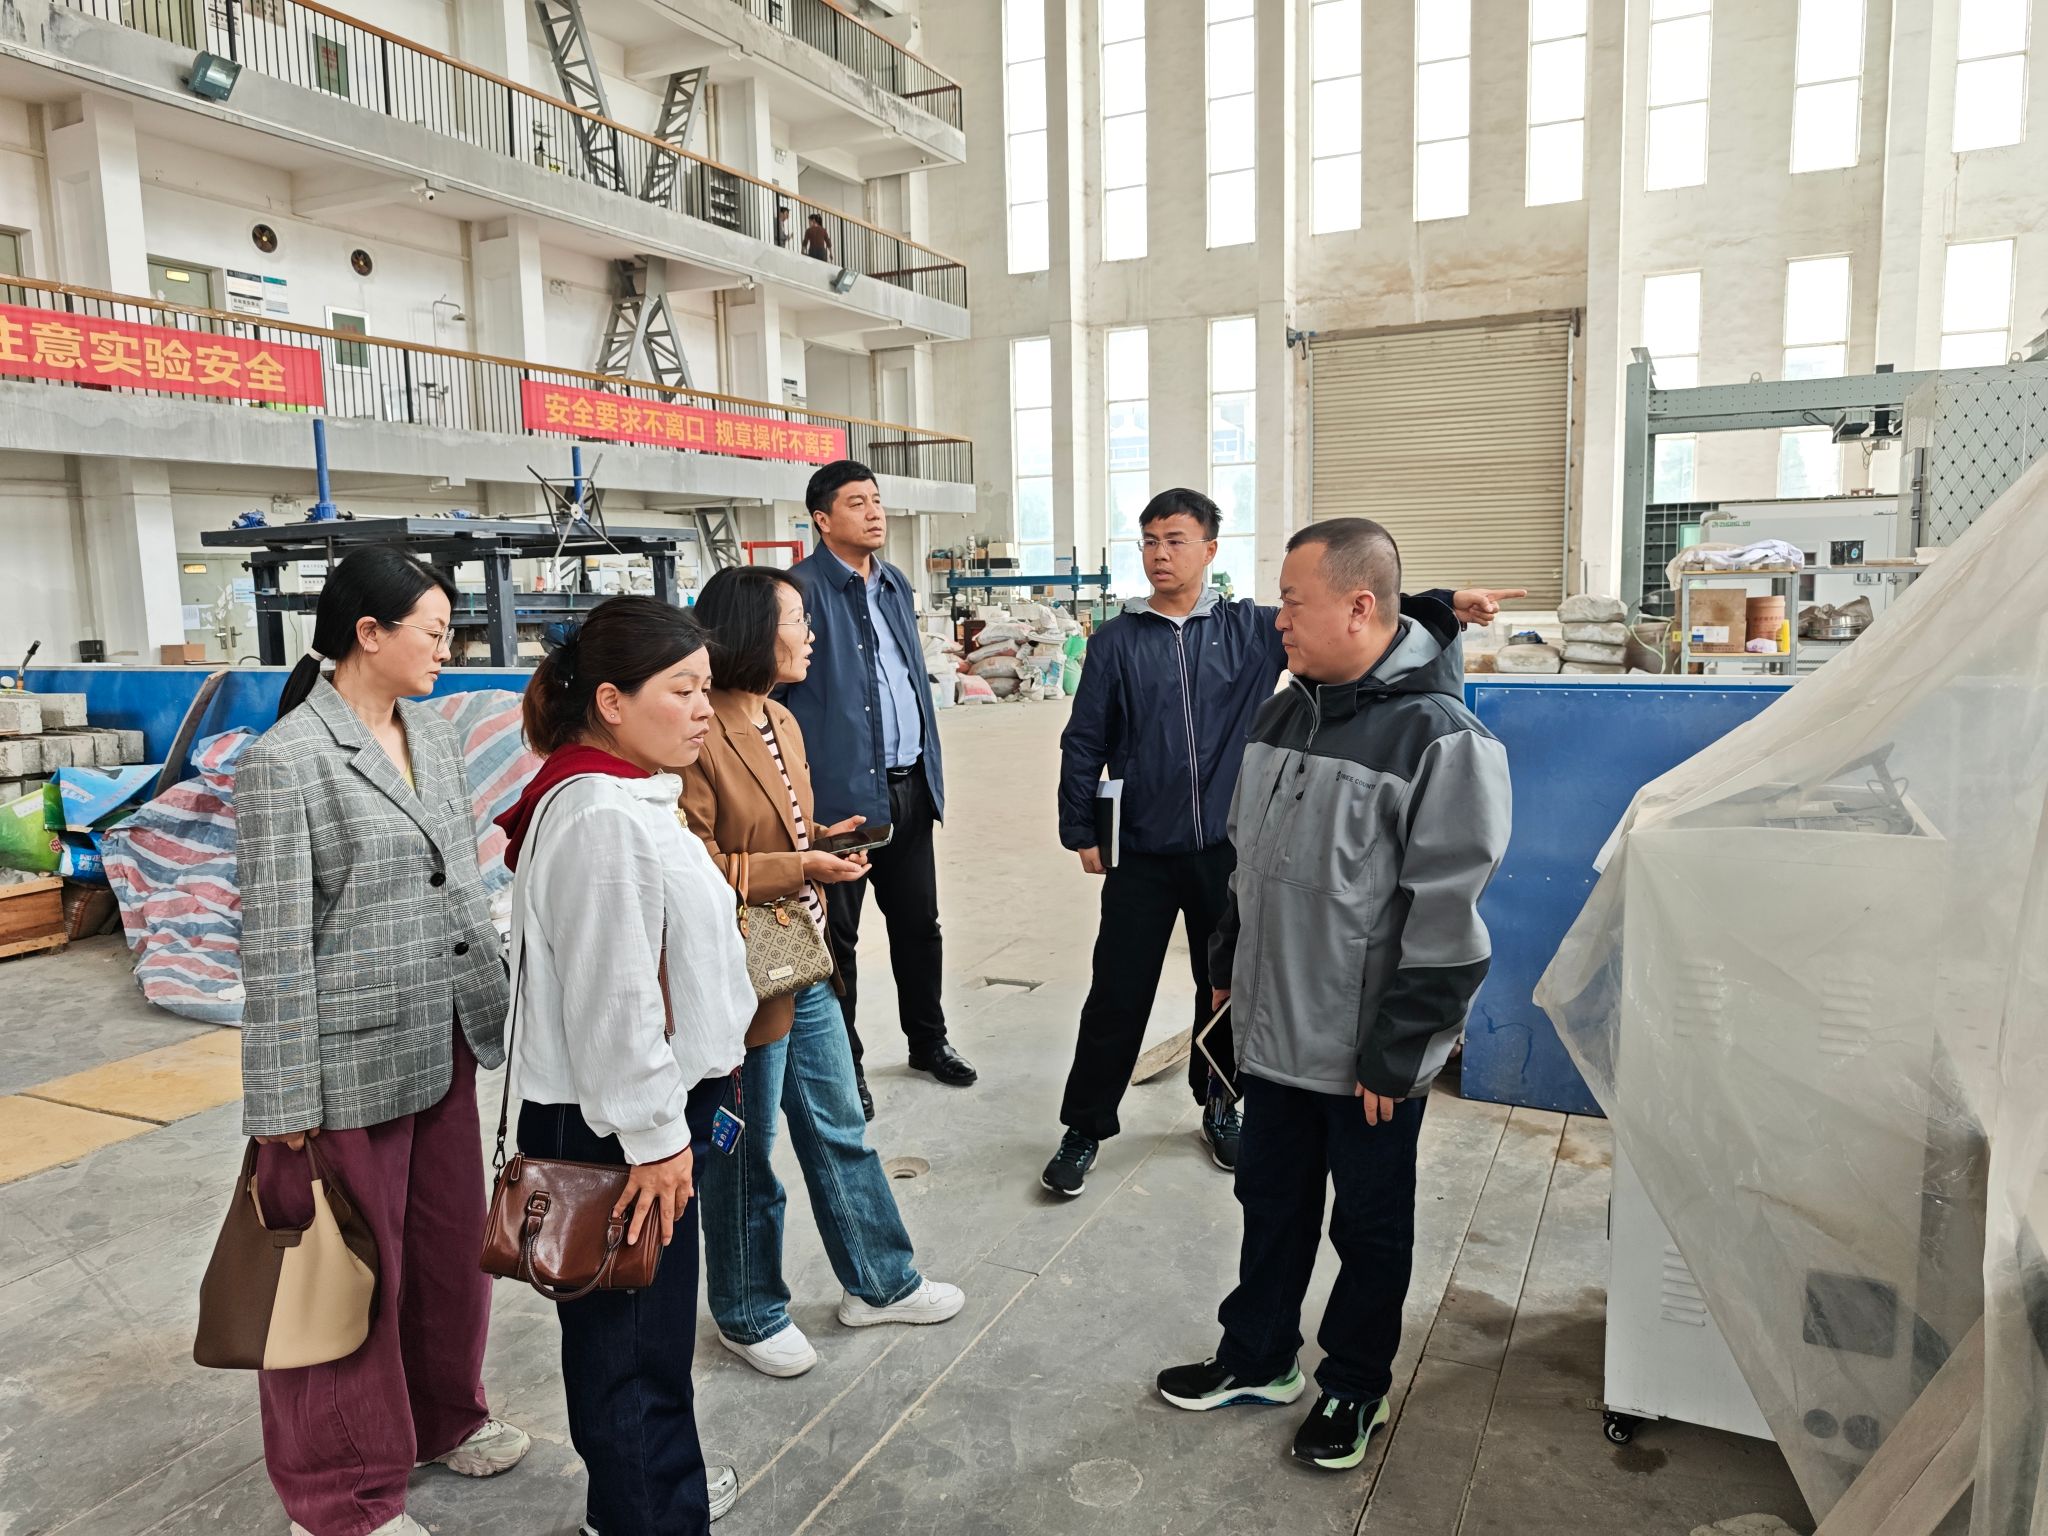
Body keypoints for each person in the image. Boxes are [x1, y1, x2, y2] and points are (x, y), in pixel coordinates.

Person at [1155, 519, 1511, 1473]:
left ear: (1359, 608)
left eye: (1292, 602)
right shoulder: (1284, 717)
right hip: (1274, 1030)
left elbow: (1448, 920)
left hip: (1366, 1057)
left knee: (1369, 1225)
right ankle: (1259, 1355)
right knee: (1269, 1202)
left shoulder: (1442, 741)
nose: (1278, 620)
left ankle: (1355, 1382)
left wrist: (1400, 1052)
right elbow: (1247, 866)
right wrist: (1226, 968)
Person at [1045, 487, 1522, 1196]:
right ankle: (1085, 1125)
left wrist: (1446, 601)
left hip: (1228, 854)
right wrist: (1080, 827)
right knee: (1117, 994)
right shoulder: (1118, 641)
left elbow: (1350, 608)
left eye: (1175, 540)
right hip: (1143, 850)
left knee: (1224, 993)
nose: (1159, 554)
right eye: (1148, 541)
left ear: (1210, 550)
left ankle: (1219, 1105)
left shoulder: (1250, 629)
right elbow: (1085, 738)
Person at [235, 546, 526, 1536]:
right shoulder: (286, 762)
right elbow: (273, 947)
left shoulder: (429, 734)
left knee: (445, 1256)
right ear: (369, 633)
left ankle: (443, 1419)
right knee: (342, 1279)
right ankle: (341, 1497)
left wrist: (497, 1005)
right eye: (434, 633)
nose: (448, 650)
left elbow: (459, 885)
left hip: (440, 1038)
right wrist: (282, 1106)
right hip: (341, 1065)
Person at [494, 597, 757, 1534]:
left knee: (641, 1342)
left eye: (705, 688)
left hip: (641, 1113)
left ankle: (641, 1499)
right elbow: (617, 1005)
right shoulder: (601, 814)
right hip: (618, 1127)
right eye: (681, 690)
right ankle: (649, 1513)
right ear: (611, 701)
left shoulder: (625, 790)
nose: (702, 709)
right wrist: (655, 1140)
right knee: (632, 1357)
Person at [682, 567, 967, 1378]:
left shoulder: (781, 718)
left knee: (839, 1124)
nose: (809, 634)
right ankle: (747, 1309)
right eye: (795, 619)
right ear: (749, 630)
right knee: (745, 1148)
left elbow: (782, 831)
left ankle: (879, 1282)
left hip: (798, 955)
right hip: (742, 970)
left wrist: (821, 843)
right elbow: (692, 865)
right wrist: (796, 864)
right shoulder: (697, 734)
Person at [783, 460, 974, 1120]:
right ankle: (846, 1066)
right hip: (840, 804)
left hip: (909, 784)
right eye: (856, 502)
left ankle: (929, 1041)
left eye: (877, 500)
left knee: (919, 925)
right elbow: (773, 699)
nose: (874, 512)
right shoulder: (798, 592)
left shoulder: (893, 583)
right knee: (837, 940)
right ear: (821, 518)